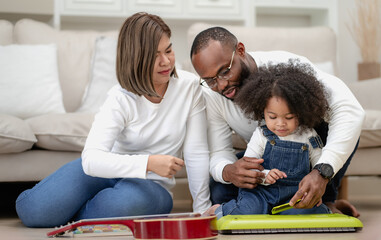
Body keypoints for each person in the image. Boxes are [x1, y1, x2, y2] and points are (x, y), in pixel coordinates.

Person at [15, 12, 211, 228]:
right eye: (155, 55)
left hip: (151, 187)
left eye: (169, 50)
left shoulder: (190, 87)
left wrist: (202, 210)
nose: (166, 61)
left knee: (122, 206)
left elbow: (197, 151)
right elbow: (91, 160)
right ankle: (70, 211)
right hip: (103, 173)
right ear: (137, 57)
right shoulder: (120, 97)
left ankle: (72, 215)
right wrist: (148, 163)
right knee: (34, 212)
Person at [190, 26, 364, 217]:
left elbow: (351, 110)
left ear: (240, 50)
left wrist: (321, 173)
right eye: (210, 80)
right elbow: (220, 151)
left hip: (305, 163)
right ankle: (285, 206)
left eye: (225, 72)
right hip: (267, 168)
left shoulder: (287, 65)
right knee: (219, 190)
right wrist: (229, 171)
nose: (221, 85)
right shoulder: (211, 94)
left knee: (341, 127)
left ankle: (325, 198)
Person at [209, 60, 332, 217]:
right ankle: (220, 210)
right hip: (260, 192)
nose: (280, 124)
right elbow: (249, 164)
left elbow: (319, 167)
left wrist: (314, 191)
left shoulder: (309, 135)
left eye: (289, 117)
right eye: (272, 117)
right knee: (250, 210)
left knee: (309, 212)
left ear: (301, 112)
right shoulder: (262, 134)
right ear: (262, 112)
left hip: (293, 194)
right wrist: (266, 175)